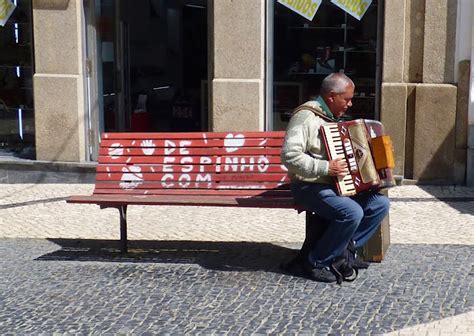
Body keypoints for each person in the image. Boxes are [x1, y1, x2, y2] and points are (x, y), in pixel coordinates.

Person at [281, 72, 390, 283]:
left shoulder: (333, 119)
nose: (350, 104)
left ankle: (344, 252)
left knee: (380, 204)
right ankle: (315, 261)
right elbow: (289, 156)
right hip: (308, 185)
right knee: (352, 212)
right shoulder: (305, 117)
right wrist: (325, 167)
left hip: (334, 187)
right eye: (346, 99)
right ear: (332, 96)